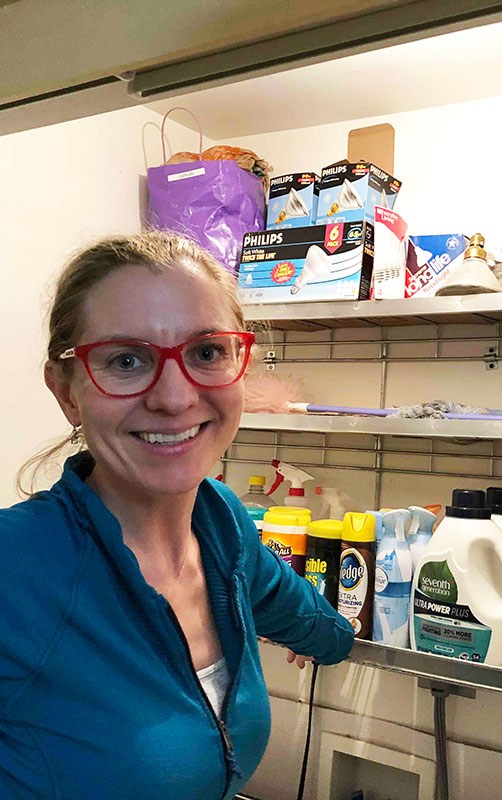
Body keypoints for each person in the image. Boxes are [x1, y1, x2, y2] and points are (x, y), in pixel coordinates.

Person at [0, 231, 354, 799]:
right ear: (67, 391)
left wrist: (335, 635)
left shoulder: (223, 530)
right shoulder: (15, 568)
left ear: (241, 365)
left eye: (207, 352)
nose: (174, 396)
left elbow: (313, 623)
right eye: (126, 360)